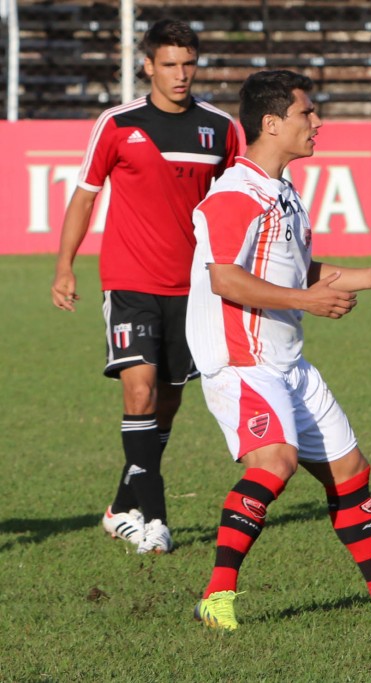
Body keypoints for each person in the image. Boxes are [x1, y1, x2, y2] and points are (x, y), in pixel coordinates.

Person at [187, 70, 371, 631]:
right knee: (275, 463)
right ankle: (216, 595)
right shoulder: (234, 193)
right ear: (272, 123)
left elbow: (298, 269)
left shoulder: (282, 192)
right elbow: (226, 280)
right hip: (241, 360)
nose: (318, 123)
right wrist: (307, 298)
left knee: (350, 470)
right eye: (308, 113)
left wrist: (370, 278)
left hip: (286, 361)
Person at [50, 20, 240, 554]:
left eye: (189, 63)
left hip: (194, 289)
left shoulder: (220, 129)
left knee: (167, 405)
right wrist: (65, 265)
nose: (181, 74)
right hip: (130, 280)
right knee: (139, 391)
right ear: (148, 66)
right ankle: (154, 518)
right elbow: (85, 196)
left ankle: (119, 507)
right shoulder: (117, 123)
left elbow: (232, 204)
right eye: (170, 64)